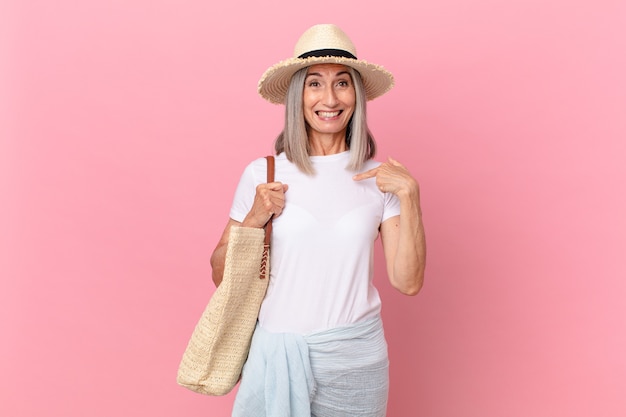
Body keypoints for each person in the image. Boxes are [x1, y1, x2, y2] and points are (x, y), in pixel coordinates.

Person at [210, 24, 426, 417]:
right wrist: (254, 220)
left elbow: (407, 282)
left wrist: (410, 197)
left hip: (355, 362)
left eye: (342, 84)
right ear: (298, 96)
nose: (330, 98)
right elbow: (221, 275)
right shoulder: (264, 174)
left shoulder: (382, 180)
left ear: (357, 96)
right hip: (276, 356)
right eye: (315, 84)